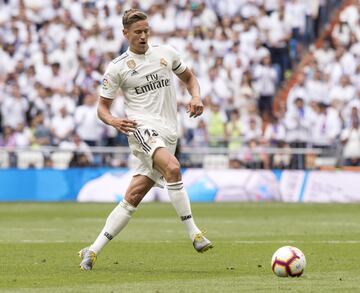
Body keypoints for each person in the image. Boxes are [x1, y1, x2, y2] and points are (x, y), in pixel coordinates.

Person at [79, 9, 213, 271]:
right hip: (140, 129)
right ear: (125, 34)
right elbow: (102, 108)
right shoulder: (117, 67)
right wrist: (114, 121)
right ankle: (195, 234)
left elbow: (190, 78)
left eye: (146, 31)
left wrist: (195, 97)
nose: (143, 36)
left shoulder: (166, 54)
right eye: (137, 32)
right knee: (173, 168)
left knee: (134, 195)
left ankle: (92, 250)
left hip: (168, 132)